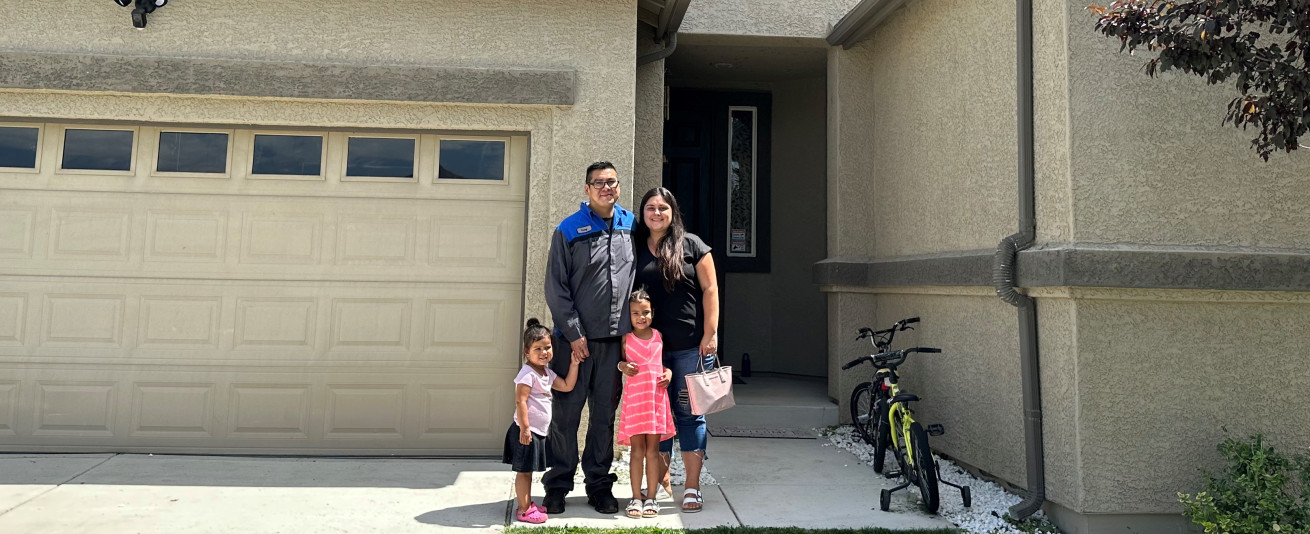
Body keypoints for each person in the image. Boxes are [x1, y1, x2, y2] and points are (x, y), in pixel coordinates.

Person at [542, 161, 637, 515]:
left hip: (614, 344)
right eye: (598, 183)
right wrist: (574, 333)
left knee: (603, 417)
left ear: (618, 186)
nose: (606, 188)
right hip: (573, 344)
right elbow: (556, 288)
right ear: (586, 189)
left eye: (611, 182)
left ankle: (598, 484)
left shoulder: (631, 225)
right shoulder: (568, 230)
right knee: (565, 416)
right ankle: (558, 484)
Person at [632, 186, 719, 513]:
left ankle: (693, 487)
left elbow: (710, 289)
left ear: (673, 213)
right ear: (643, 214)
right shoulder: (635, 246)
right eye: (650, 208)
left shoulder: (692, 245)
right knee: (657, 418)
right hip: (649, 351)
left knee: (689, 415)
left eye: (663, 208)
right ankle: (660, 482)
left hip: (689, 349)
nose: (656, 213)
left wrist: (710, 333)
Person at [503, 318, 580, 524]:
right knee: (524, 472)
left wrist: (574, 364)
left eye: (547, 347)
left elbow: (566, 386)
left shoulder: (546, 372)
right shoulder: (527, 374)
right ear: (526, 352)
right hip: (525, 431)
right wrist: (525, 428)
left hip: (537, 432)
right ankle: (524, 509)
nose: (544, 352)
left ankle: (527, 504)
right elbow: (520, 401)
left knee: (528, 471)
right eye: (538, 349)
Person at [616, 289, 675, 519]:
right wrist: (622, 367)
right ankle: (635, 497)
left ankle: (651, 496)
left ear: (653, 313)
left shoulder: (659, 336)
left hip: (655, 401)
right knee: (636, 451)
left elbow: (665, 365)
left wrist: (668, 374)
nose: (641, 317)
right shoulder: (625, 338)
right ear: (628, 315)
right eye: (636, 313)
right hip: (635, 402)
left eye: (646, 312)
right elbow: (618, 363)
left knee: (653, 451)